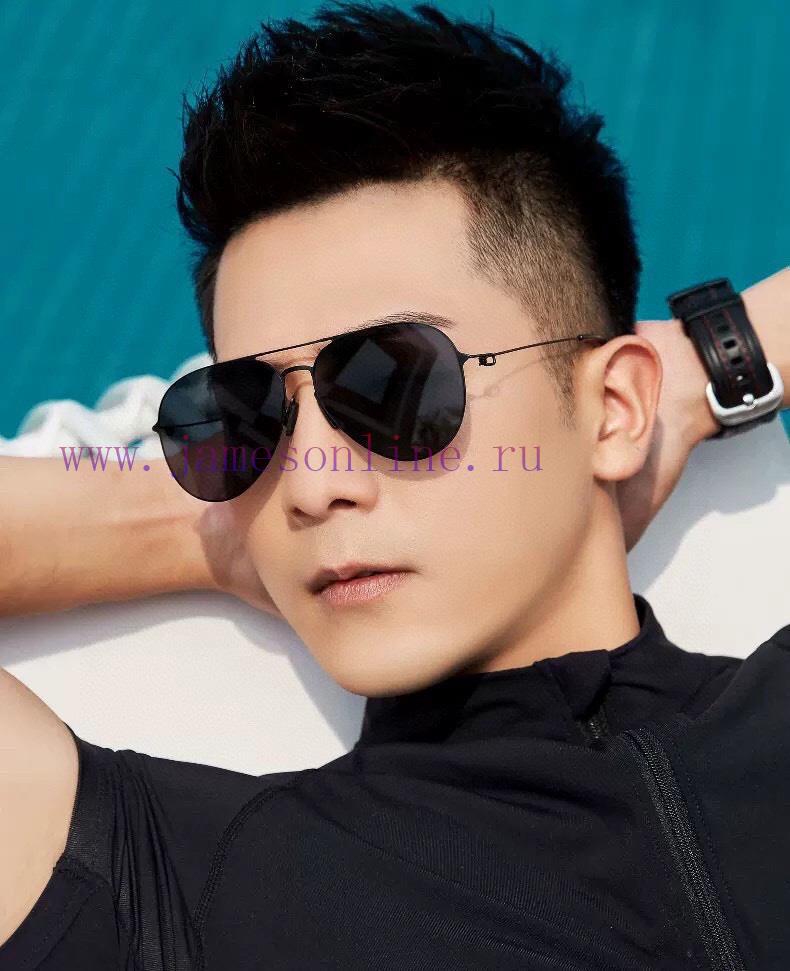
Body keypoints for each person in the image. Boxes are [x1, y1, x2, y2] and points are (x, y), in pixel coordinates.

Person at [1, 2, 788, 968]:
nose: (310, 485)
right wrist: (212, 520)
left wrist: (716, 368)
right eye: (247, 416)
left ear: (617, 406)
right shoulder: (183, 890)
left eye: (393, 382)